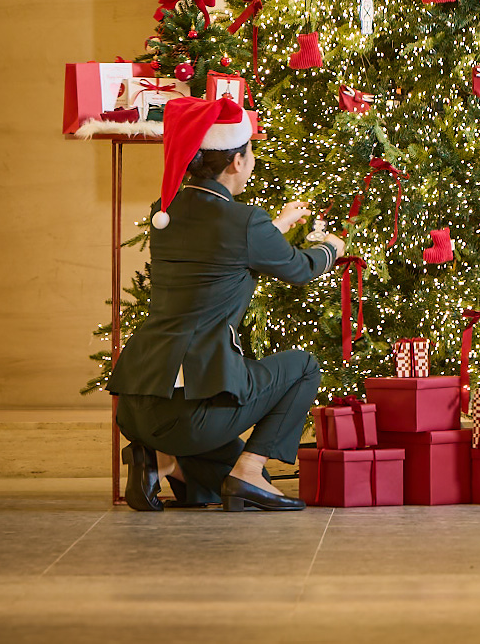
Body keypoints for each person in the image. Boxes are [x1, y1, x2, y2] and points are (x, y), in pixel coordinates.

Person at [108, 93, 344, 512]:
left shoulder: (167, 210)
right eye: (251, 152)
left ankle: (159, 462)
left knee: (214, 486)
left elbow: (218, 247)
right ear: (237, 161)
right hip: (193, 412)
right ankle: (248, 469)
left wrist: (278, 224)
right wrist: (332, 247)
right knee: (303, 366)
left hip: (137, 406)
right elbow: (299, 268)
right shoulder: (245, 222)